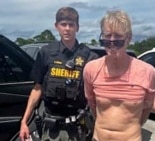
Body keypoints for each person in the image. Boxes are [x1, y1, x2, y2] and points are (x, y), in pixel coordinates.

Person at [19, 7, 98, 141]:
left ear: (77, 27)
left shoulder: (90, 57)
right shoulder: (46, 53)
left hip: (78, 128)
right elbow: (37, 89)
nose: (67, 28)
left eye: (71, 25)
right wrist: (24, 122)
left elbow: (96, 96)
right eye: (63, 24)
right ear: (57, 26)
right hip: (51, 128)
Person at [83, 9, 155, 141]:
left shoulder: (147, 72)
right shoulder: (91, 69)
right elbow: (92, 104)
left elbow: (146, 109)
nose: (112, 41)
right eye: (107, 35)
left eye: (117, 36)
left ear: (128, 38)